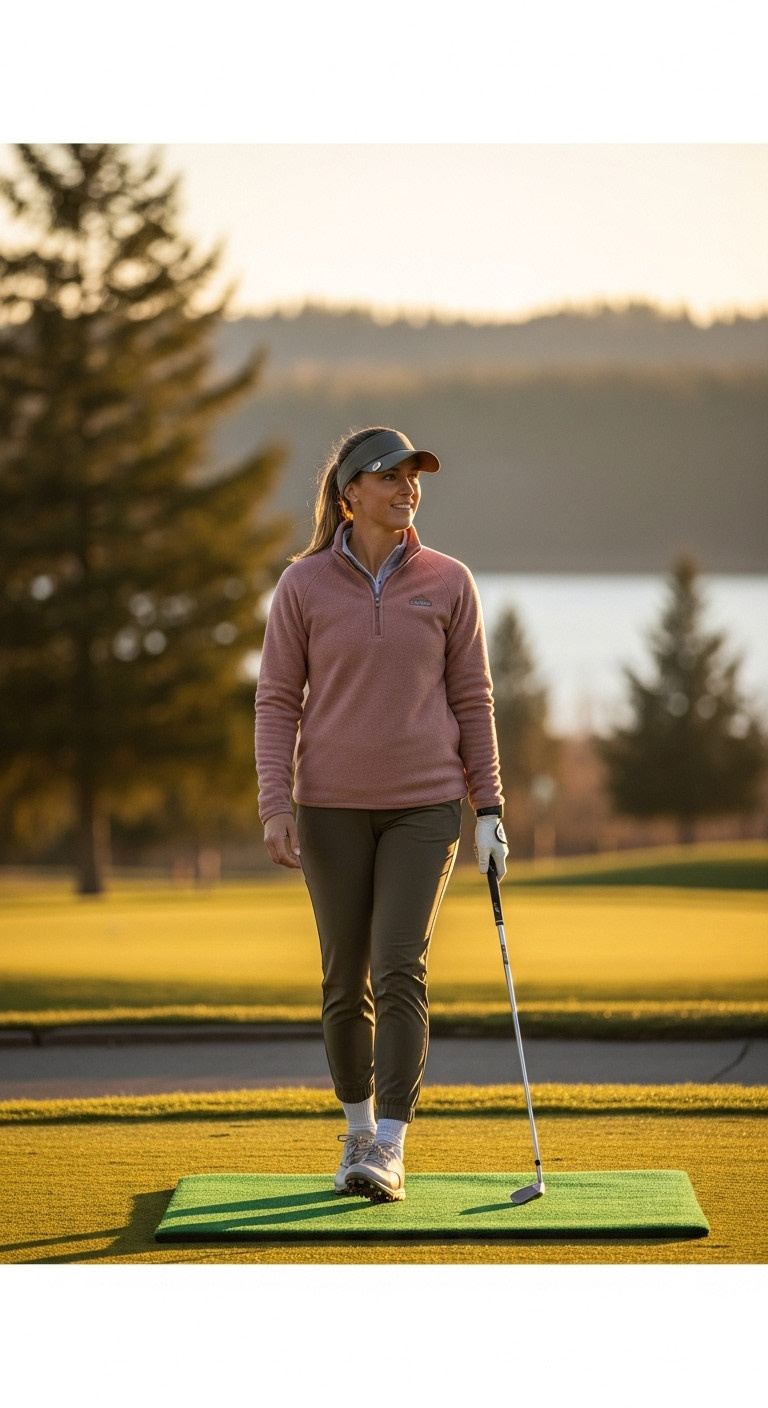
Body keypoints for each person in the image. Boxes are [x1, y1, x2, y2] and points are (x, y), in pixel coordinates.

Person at [254, 426, 508, 1202]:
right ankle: (357, 1130)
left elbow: (473, 698)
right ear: (348, 495)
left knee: (401, 966)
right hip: (328, 808)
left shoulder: (449, 581)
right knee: (344, 979)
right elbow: (275, 703)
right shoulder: (301, 588)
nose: (407, 488)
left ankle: (390, 1146)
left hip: (425, 808)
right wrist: (275, 805)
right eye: (389, 476)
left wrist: (489, 807)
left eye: (413, 477)